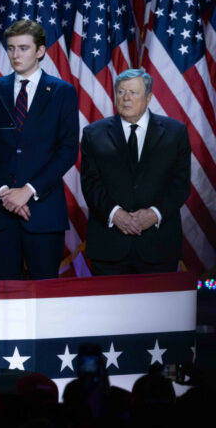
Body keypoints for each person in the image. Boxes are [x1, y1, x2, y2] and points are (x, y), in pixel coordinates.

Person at [0, 20, 78, 280]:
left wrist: (28, 191)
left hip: (43, 211)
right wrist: (5, 193)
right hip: (0, 213)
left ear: (40, 51)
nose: (15, 55)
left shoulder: (63, 92)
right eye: (10, 48)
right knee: (4, 293)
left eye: (23, 48)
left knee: (45, 295)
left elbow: (67, 151)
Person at [80, 69, 191, 275]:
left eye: (133, 92)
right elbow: (90, 183)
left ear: (148, 97)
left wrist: (154, 214)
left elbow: (180, 184)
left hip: (158, 246)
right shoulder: (93, 134)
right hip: (109, 246)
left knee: (158, 308)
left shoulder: (175, 133)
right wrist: (116, 214)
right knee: (109, 307)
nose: (126, 98)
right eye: (121, 92)